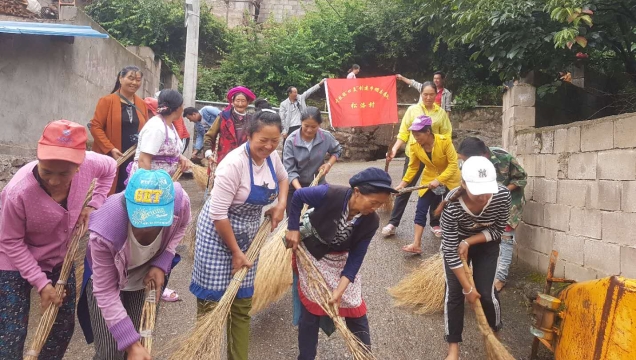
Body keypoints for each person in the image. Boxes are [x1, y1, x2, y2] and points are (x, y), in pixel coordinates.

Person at [0, 120, 116, 359]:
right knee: (11, 332)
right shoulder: (18, 192)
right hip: (12, 257)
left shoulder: (92, 163)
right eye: (46, 171)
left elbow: (111, 167)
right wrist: (42, 284)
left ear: (80, 163)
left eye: (64, 173)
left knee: (61, 328)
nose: (53, 180)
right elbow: (10, 241)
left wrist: (94, 204)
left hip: (59, 255)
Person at [190, 109, 289, 360]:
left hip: (248, 237)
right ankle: (204, 354)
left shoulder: (272, 158)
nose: (268, 146)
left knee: (241, 307)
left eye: (274, 141)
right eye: (262, 140)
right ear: (249, 136)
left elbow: (284, 179)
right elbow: (218, 214)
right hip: (217, 235)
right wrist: (235, 253)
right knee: (211, 307)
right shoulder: (232, 165)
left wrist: (280, 204)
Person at [285, 167, 396, 360]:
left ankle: (364, 356)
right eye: (373, 202)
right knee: (311, 311)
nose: (375, 208)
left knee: (355, 308)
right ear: (357, 192)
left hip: (340, 259)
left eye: (380, 204)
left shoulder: (371, 222)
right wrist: (293, 228)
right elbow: (298, 197)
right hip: (312, 253)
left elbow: (355, 259)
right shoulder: (329, 193)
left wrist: (339, 291)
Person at [81, 169, 190, 360]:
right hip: (107, 280)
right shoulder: (105, 230)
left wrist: (162, 261)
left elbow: (181, 227)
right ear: (128, 206)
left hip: (144, 275)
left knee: (141, 339)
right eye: (142, 219)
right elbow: (105, 292)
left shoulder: (179, 203)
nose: (148, 227)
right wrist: (130, 344)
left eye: (156, 220)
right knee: (109, 352)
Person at [435, 156, 511, 360]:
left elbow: (497, 231)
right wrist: (467, 288)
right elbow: (450, 251)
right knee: (455, 293)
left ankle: (494, 336)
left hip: (485, 243)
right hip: (455, 247)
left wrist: (469, 241)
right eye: (478, 191)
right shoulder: (451, 206)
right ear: (463, 184)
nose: (484, 197)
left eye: (488, 190)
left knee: (487, 293)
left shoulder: (502, 196)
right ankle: (453, 349)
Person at [457, 137, 527, 292]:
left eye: (466, 159)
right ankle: (484, 273)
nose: (464, 163)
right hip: (483, 201)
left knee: (506, 237)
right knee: (486, 236)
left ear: (482, 156)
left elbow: (521, 179)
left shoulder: (504, 158)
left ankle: (500, 278)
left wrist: (499, 194)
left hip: (508, 202)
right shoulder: (466, 163)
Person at [383, 81, 452, 237]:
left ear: (436, 95)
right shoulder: (412, 110)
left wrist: (438, 145)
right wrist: (394, 149)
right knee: (405, 187)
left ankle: (435, 223)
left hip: (435, 157)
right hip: (414, 153)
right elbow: (403, 133)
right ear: (420, 94)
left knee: (434, 189)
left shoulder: (440, 113)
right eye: (425, 94)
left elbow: (447, 135)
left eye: (431, 94)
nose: (428, 97)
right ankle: (393, 222)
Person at [395, 116, 460, 254]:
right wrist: (403, 184)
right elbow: (413, 167)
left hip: (450, 178)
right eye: (413, 134)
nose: (415, 137)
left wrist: (440, 180)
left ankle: (456, 244)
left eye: (418, 134)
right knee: (421, 209)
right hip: (429, 177)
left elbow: (453, 164)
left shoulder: (445, 141)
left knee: (453, 210)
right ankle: (416, 244)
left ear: (428, 132)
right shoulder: (414, 146)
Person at [90, 65, 148, 194]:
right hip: (113, 154)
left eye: (138, 80)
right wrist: (110, 148)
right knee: (109, 189)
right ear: (120, 79)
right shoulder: (107, 101)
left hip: (133, 155)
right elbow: (95, 126)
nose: (134, 82)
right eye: (130, 78)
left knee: (129, 190)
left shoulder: (142, 104)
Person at [283, 106, 342, 215]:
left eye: (314, 127)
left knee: (316, 220)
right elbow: (289, 170)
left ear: (320, 125)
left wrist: (328, 164)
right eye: (306, 126)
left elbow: (337, 151)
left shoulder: (326, 137)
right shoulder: (291, 140)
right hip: (295, 187)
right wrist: (301, 192)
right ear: (301, 122)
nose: (309, 130)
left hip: (317, 185)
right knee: (294, 222)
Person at [127, 89, 189, 180]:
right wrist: (149, 188)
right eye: (182, 105)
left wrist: (180, 157)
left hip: (162, 182)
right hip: (149, 185)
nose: (183, 109)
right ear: (177, 108)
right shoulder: (156, 127)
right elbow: (143, 160)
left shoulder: (169, 125)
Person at [202, 86, 257, 165]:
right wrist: (208, 153)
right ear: (232, 102)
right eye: (237, 101)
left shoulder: (252, 120)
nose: (240, 104)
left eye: (243, 101)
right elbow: (209, 136)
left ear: (248, 102)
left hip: (244, 160)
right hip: (224, 160)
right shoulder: (223, 117)